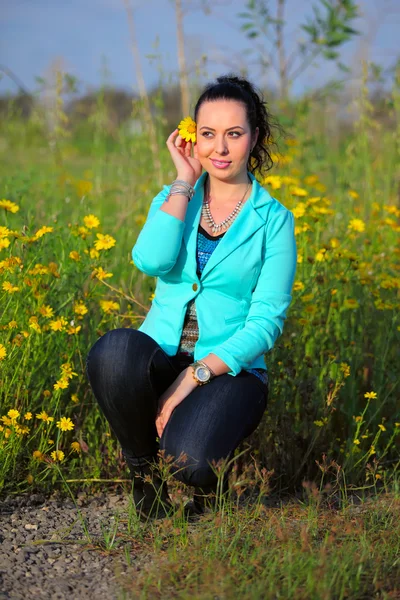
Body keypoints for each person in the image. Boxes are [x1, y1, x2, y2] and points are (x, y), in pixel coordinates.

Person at [86, 74, 297, 520]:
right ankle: (144, 479)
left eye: (234, 134)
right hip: (161, 356)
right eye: (208, 135)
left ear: (254, 138)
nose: (220, 149)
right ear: (191, 139)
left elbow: (266, 323)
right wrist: (183, 181)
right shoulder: (175, 198)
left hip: (228, 372)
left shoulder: (274, 220)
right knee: (113, 351)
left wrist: (195, 376)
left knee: (193, 462)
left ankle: (205, 490)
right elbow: (150, 261)